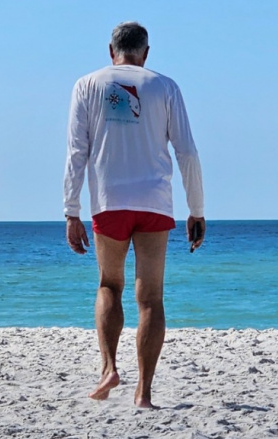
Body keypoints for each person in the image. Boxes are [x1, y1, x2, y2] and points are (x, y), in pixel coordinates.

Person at [63, 21, 205, 409]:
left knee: (109, 285)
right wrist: (196, 209)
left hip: (109, 201)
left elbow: (77, 152)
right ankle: (143, 393)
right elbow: (187, 152)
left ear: (112, 51)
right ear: (146, 53)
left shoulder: (87, 84)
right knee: (151, 298)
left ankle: (109, 368)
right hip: (155, 202)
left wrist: (71, 211)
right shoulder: (165, 86)